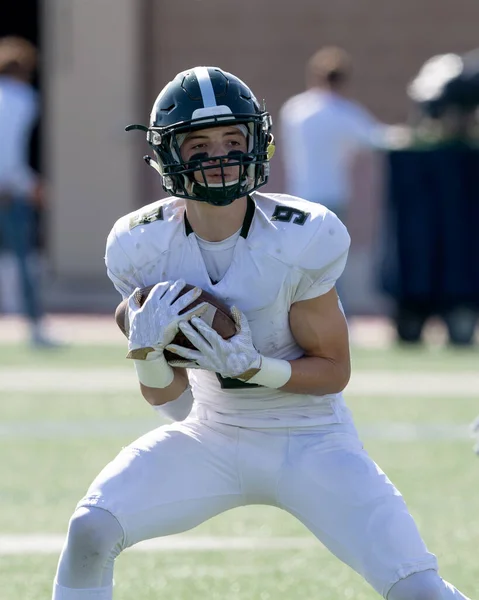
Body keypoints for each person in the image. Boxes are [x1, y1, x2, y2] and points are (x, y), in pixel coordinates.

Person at [52, 66, 470, 600]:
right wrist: (144, 351)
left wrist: (255, 368)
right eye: (199, 144)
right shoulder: (141, 243)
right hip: (212, 433)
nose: (221, 155)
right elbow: (170, 403)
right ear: (167, 155)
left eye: (232, 139)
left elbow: (334, 372)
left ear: (258, 141)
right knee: (91, 529)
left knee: (418, 591)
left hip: (310, 439)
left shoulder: (302, 235)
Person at [279, 46, 390, 224]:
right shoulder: (342, 112)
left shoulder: (294, 109)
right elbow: (377, 139)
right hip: (331, 196)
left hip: (297, 195)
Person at [0, 36, 56, 347]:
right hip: (9, 191)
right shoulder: (22, 98)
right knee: (24, 259)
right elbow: (8, 150)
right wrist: (25, 183)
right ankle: (35, 328)